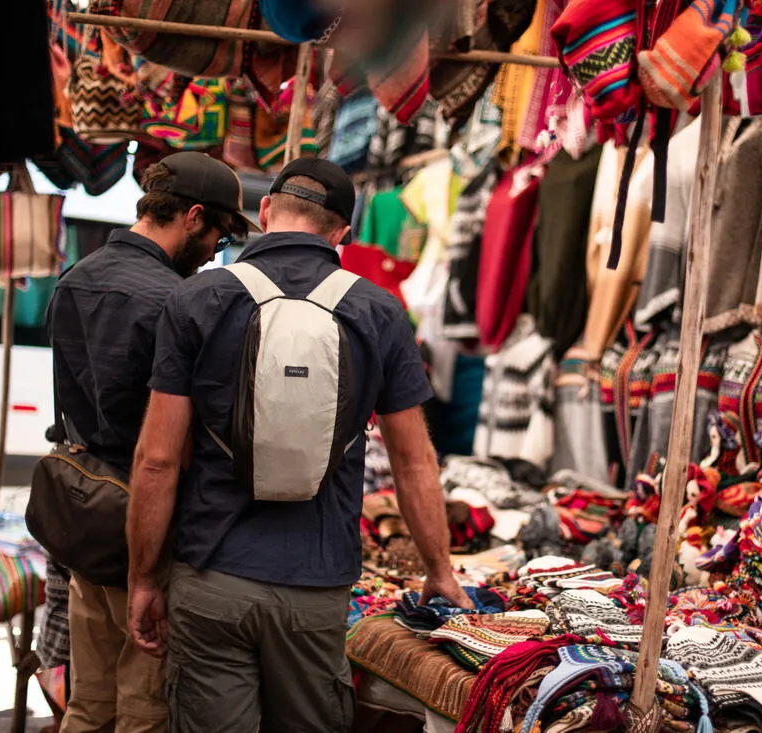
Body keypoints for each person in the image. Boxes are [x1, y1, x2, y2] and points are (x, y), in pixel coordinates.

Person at [125, 157, 473, 732]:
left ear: (265, 212)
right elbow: (414, 463)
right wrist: (439, 570)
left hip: (212, 576)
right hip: (316, 585)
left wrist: (143, 578)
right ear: (343, 233)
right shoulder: (380, 311)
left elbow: (157, 461)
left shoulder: (196, 300)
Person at [48, 151, 253, 733]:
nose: (216, 251)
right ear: (193, 216)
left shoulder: (74, 277)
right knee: (144, 703)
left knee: (89, 701)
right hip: (148, 520)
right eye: (219, 234)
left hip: (85, 510)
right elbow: (174, 444)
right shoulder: (177, 301)